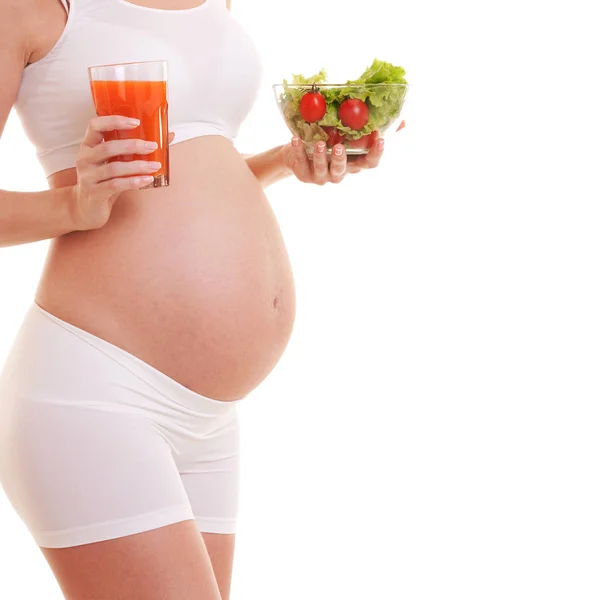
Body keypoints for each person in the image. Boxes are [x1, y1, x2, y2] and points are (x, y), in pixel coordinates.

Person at [0, 0, 403, 598]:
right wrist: (70, 206)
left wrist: (285, 162)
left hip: (210, 421)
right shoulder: (34, 10)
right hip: (98, 392)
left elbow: (191, 166)